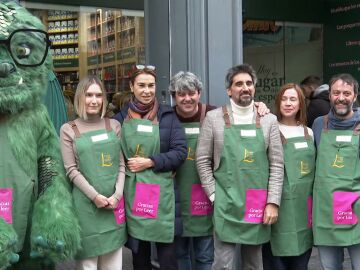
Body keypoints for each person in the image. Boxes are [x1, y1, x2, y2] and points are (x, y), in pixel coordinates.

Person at [196, 63, 284, 270]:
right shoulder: (213, 118)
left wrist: (273, 202)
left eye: (249, 83)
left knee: (253, 264)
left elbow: (277, 165)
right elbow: (201, 159)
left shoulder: (268, 120)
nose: (245, 87)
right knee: (222, 265)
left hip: (257, 203)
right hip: (225, 201)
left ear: (254, 87)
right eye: (238, 84)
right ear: (229, 90)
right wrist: (213, 195)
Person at [114, 65, 187, 270]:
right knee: (140, 256)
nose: (147, 90)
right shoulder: (119, 120)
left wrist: (151, 161)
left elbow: (180, 152)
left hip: (162, 194)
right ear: (132, 87)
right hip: (133, 193)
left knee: (167, 256)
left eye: (151, 85)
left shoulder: (167, 117)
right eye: (142, 85)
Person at [60, 75, 127, 270]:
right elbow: (71, 170)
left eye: (98, 95)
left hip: (113, 205)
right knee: (87, 265)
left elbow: (121, 164)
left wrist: (118, 194)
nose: (94, 100)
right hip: (87, 209)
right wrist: (95, 196)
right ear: (80, 97)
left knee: (113, 263)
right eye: (89, 95)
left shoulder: (113, 125)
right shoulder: (68, 129)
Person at [262, 83, 315, 270]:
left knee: (301, 262)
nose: (288, 103)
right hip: (278, 204)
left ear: (300, 103)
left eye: (293, 99)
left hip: (303, 207)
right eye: (284, 99)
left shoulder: (309, 132)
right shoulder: (269, 127)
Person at [312, 73, 360, 270]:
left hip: (357, 208)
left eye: (347, 93)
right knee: (330, 267)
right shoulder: (318, 125)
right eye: (336, 93)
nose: (341, 98)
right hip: (326, 209)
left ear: (355, 96)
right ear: (329, 95)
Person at [169, 71, 216, 270]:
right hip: (175, 193)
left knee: (205, 255)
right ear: (174, 97)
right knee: (179, 254)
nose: (187, 98)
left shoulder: (213, 115)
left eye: (192, 93)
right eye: (181, 94)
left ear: (199, 93)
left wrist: (259, 106)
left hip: (205, 193)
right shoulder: (166, 117)